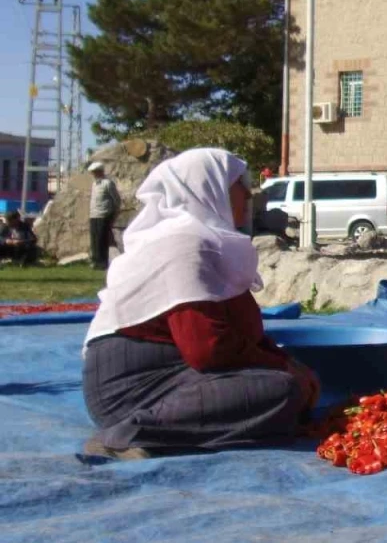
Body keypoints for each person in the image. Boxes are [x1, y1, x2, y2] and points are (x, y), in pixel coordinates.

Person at [81, 148, 320, 460]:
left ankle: (164, 431)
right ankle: (129, 435)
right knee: (282, 391)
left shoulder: (209, 242)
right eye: (238, 184)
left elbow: (241, 336)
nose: (249, 195)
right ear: (206, 187)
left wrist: (288, 363)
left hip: (178, 375)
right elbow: (207, 348)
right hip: (130, 390)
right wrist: (284, 369)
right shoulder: (183, 243)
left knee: (288, 387)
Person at [87, 161, 121, 270]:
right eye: (93, 173)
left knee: (102, 239)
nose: (94, 175)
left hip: (104, 215)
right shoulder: (94, 184)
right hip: (94, 214)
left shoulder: (108, 183)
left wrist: (114, 214)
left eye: (96, 172)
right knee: (95, 239)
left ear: (100, 172)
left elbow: (116, 200)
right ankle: (95, 261)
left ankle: (103, 262)